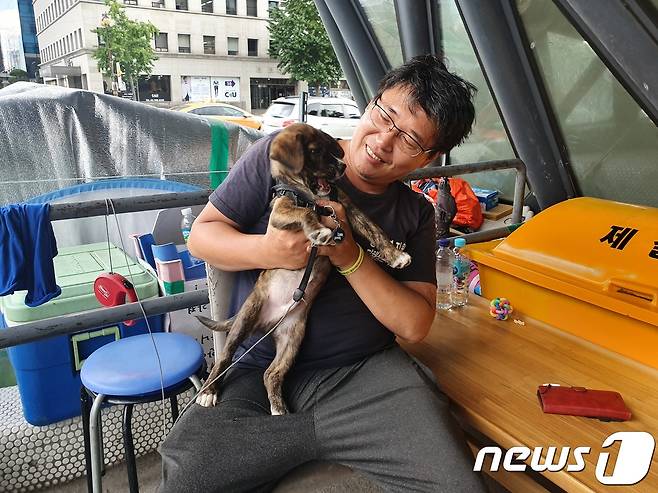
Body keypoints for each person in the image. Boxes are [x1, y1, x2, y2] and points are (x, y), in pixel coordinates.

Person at [158, 54, 484, 492]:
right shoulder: (286, 153)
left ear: (428, 157)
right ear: (371, 102)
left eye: (409, 138)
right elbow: (202, 236)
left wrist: (351, 256)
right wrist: (269, 249)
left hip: (363, 374)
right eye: (385, 114)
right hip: (253, 370)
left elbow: (414, 324)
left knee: (458, 486)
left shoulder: (415, 213)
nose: (384, 141)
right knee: (186, 482)